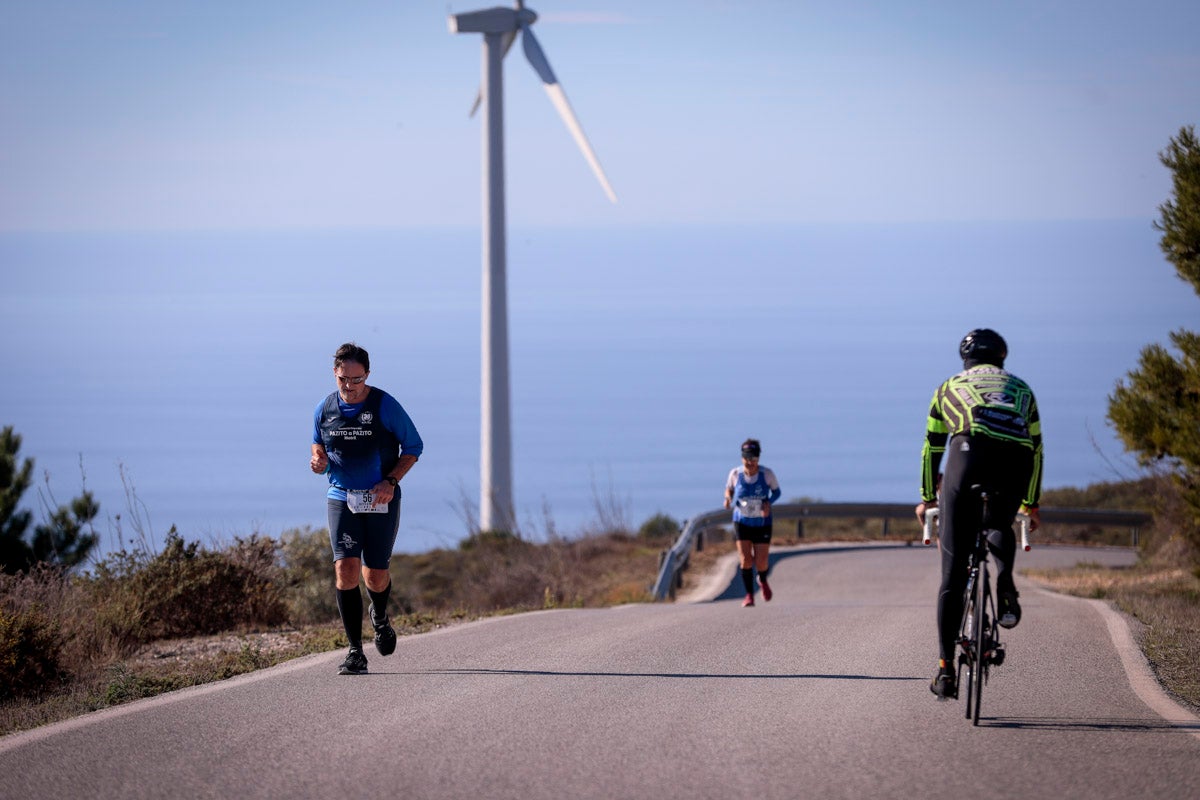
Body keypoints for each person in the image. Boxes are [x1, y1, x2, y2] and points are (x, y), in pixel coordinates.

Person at [915, 329, 1043, 700]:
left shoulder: (948, 387)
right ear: (1002, 358)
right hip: (1016, 459)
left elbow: (932, 449)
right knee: (998, 522)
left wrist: (927, 498)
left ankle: (946, 671)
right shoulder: (1021, 389)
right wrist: (1030, 504)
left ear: (965, 359)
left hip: (968, 453)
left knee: (952, 575)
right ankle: (1005, 584)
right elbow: (1037, 449)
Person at [310, 343, 423, 675]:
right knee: (345, 569)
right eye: (343, 379)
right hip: (341, 497)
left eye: (357, 379)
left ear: (368, 375)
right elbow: (318, 443)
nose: (350, 386)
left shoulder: (385, 405)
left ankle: (380, 616)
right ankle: (355, 651)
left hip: (380, 498)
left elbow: (413, 446)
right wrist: (317, 460)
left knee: (375, 574)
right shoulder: (325, 408)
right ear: (334, 373)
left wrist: (390, 481)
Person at [724, 439, 782, 607]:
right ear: (742, 458)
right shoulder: (735, 474)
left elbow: (777, 492)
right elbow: (729, 488)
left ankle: (762, 579)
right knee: (745, 560)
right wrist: (727, 498)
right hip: (741, 521)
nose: (750, 462)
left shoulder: (767, 474)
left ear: (758, 458)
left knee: (761, 562)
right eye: (747, 458)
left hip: (762, 522)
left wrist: (768, 503)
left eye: (754, 458)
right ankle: (749, 595)